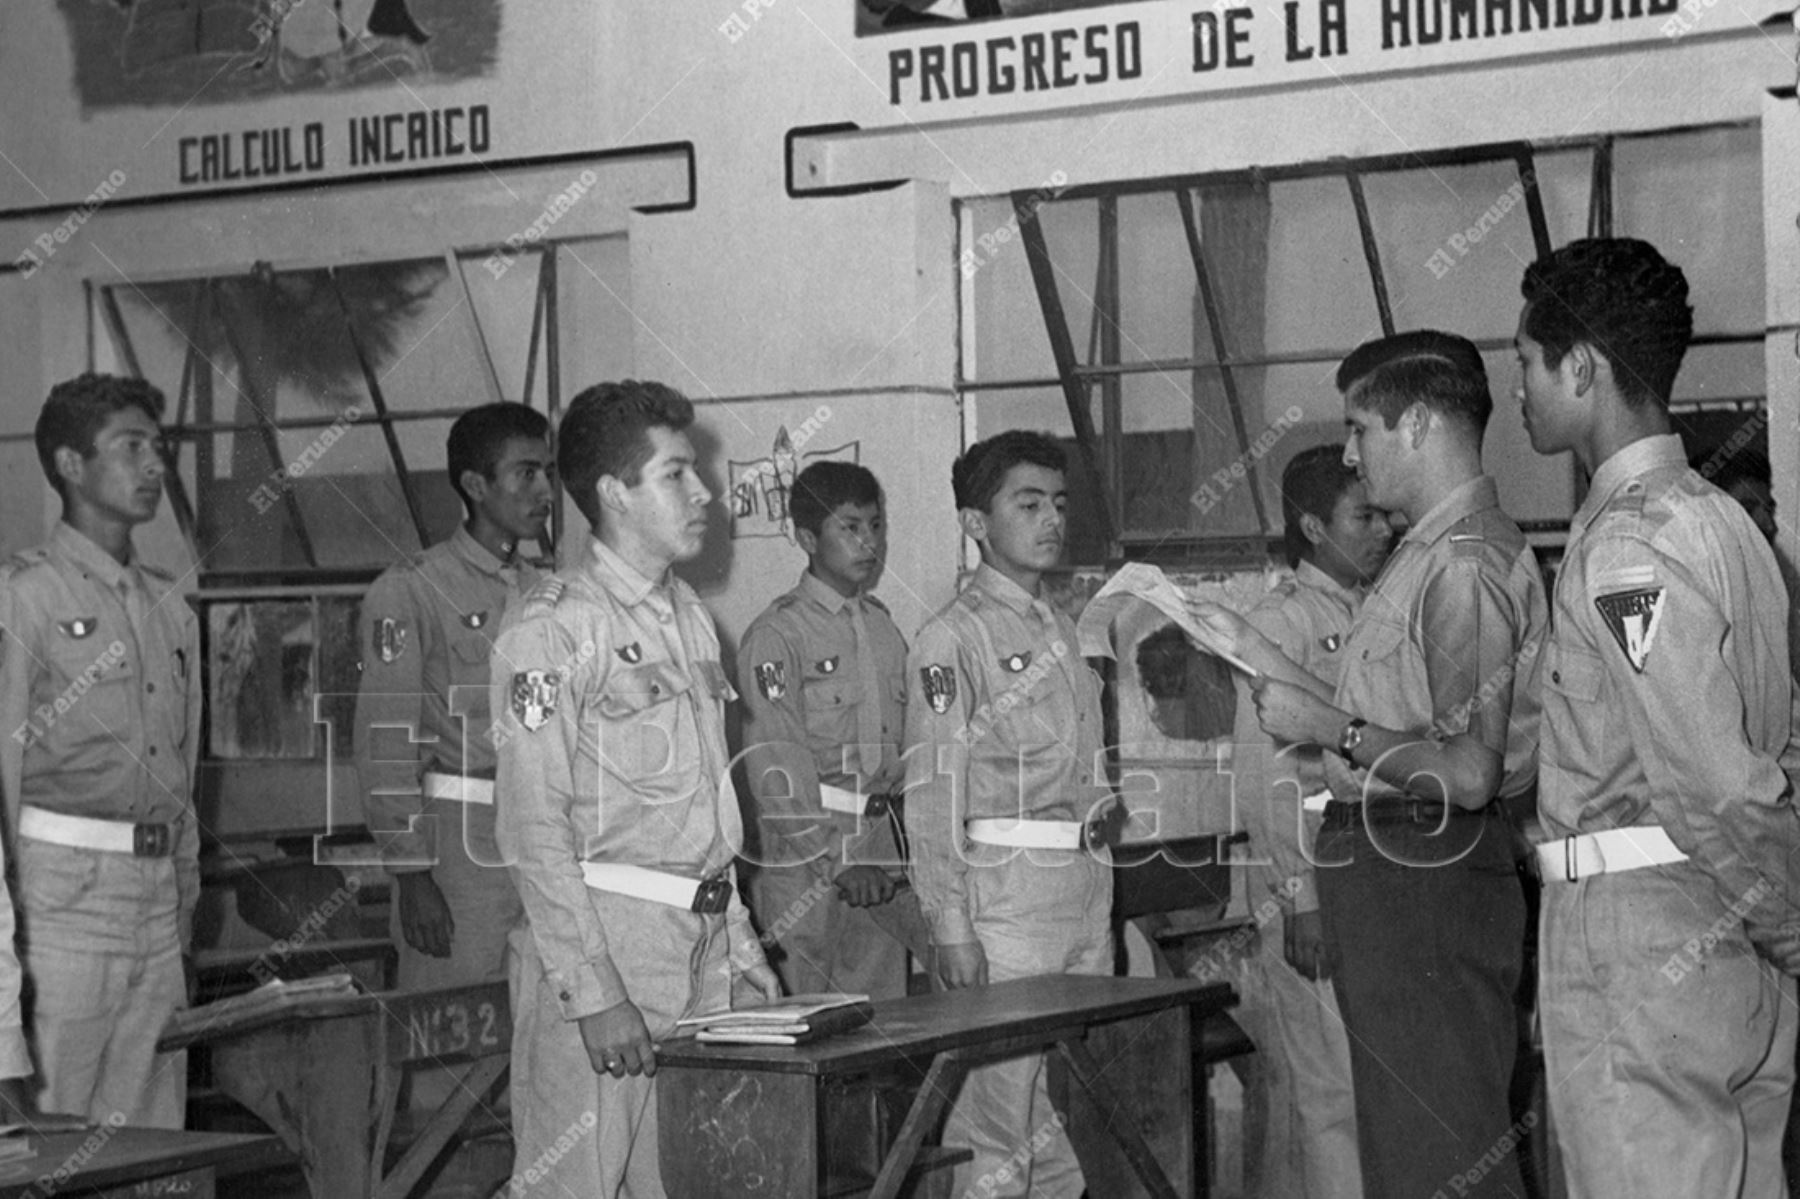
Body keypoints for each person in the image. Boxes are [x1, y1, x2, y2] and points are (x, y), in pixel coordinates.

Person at [1194, 331, 1546, 1199]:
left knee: (1440, 1153)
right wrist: (1262, 658)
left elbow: (1464, 772)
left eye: (1361, 428)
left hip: (1421, 867)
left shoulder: (1459, 564)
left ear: (1418, 422)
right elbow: (1402, 717)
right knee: (1410, 1147)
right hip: (1399, 869)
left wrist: (1327, 724)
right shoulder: (1424, 557)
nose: (1351, 452)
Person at [1517, 238, 1800, 1197]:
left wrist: (1793, 922)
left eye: (1527, 363)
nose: (1519, 390)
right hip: (1729, 939)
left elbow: (1714, 780)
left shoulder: (1631, 544)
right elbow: (1784, 743)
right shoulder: (1728, 522)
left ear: (1582, 368)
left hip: (1639, 943)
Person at [492, 379, 780, 1196]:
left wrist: (744, 948)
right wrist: (593, 993)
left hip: (700, 949)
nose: (704, 493)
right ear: (615, 493)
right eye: (677, 474)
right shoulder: (552, 628)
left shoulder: (687, 617)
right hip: (607, 946)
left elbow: (704, 815)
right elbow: (531, 828)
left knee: (686, 1183)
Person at [903, 429, 1117, 1199]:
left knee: (1045, 1125)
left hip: (1078, 889)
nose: (1051, 519)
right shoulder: (952, 637)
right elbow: (933, 792)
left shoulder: (1061, 627)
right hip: (1005, 903)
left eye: (1059, 503)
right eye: (1027, 503)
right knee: (998, 1131)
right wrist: (950, 922)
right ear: (974, 521)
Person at [0, 373, 200, 1127]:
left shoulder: (168, 606)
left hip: (154, 898)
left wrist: (182, 901)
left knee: (152, 1137)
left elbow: (182, 774)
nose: (155, 466)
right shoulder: (23, 597)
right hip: (58, 900)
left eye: (159, 447)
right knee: (50, 1126)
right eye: (131, 447)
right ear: (69, 465)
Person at [353, 403, 553, 1139]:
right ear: (474, 483)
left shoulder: (550, 593)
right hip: (459, 847)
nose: (544, 490)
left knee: (539, 1045)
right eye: (525, 472)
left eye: (549, 471)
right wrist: (410, 873)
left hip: (541, 834)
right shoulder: (411, 591)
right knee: (453, 1050)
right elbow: (384, 739)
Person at [1227, 443, 1390, 1199]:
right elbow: (1270, 777)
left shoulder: (1375, 611)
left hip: (1371, 880)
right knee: (1326, 1101)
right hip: (1312, 895)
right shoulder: (1277, 623)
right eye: (1364, 515)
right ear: (1313, 525)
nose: (1382, 529)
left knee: (1366, 1093)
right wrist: (1300, 896)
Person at [736, 460, 931, 999]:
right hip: (805, 861)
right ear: (806, 537)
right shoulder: (778, 635)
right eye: (849, 527)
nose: (868, 542)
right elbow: (775, 765)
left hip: (878, 849)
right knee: (809, 1022)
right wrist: (838, 859)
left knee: (881, 1022)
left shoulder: (883, 628)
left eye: (874, 526)